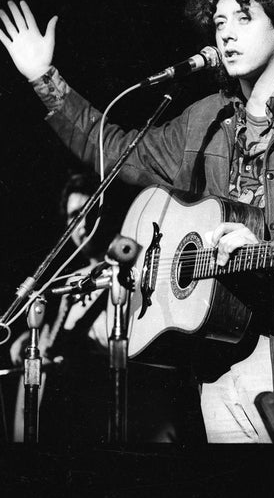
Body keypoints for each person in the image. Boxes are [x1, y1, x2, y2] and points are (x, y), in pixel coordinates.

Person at [1, 0, 274, 443]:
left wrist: (266, 249)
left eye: (244, 19)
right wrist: (44, 78)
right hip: (219, 362)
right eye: (220, 22)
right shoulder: (203, 120)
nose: (226, 34)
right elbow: (116, 152)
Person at [10, 173, 204, 445]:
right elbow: (54, 340)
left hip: (130, 410)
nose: (82, 224)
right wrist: (28, 341)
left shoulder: (134, 262)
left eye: (89, 212)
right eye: (73, 217)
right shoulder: (69, 279)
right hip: (75, 416)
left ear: (105, 213)